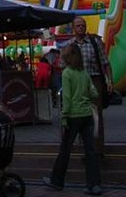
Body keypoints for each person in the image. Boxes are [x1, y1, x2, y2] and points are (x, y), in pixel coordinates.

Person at [42, 43, 102, 195]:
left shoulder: (67, 73)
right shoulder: (84, 73)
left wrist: (64, 116)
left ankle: (57, 181)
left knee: (65, 150)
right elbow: (94, 93)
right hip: (87, 115)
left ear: (68, 57)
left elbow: (66, 98)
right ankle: (93, 184)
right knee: (90, 151)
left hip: (73, 117)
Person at [69, 15, 113, 155]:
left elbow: (105, 62)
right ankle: (86, 148)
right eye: (78, 26)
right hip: (78, 82)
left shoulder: (94, 42)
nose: (81, 28)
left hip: (95, 81)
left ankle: (98, 149)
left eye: (83, 25)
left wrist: (109, 81)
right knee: (81, 114)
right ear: (73, 28)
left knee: (96, 114)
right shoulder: (71, 45)